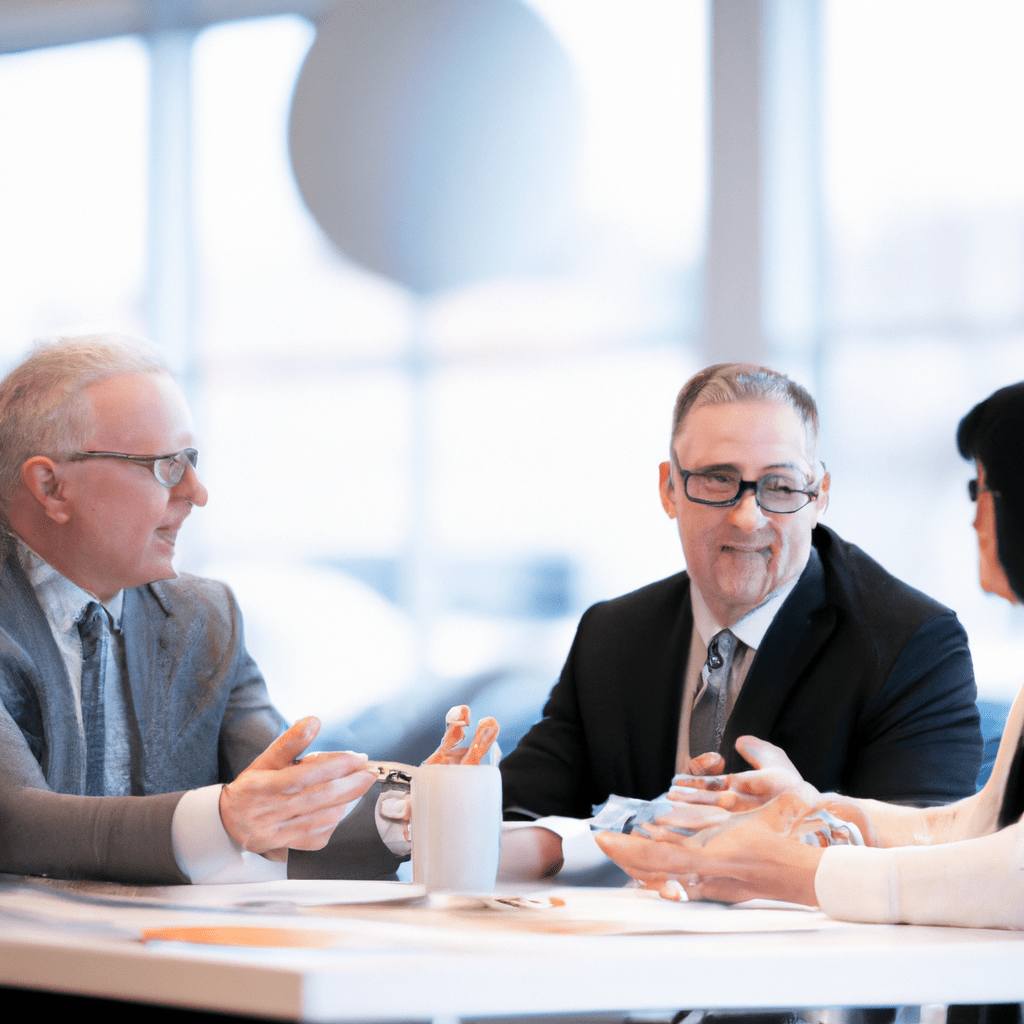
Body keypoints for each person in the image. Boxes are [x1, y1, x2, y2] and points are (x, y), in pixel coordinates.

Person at [498, 363, 982, 878]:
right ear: (669, 489)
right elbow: (520, 810)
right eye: (717, 479)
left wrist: (807, 823)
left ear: (819, 497)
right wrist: (438, 808)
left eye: (780, 486)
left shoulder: (912, 644)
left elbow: (932, 862)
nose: (749, 517)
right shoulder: (612, 635)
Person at [595, 380, 1024, 931]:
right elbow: (989, 825)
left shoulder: (909, 634)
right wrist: (817, 810)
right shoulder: (618, 629)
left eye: (980, 491)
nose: (974, 521)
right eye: (717, 479)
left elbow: (1011, 869)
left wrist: (795, 871)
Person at [0, 334, 399, 884]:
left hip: (171, 957)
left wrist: (418, 810)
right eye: (164, 465)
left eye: (191, 460)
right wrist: (224, 818)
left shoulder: (205, 618)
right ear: (51, 486)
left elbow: (282, 798)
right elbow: (14, 823)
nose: (196, 490)